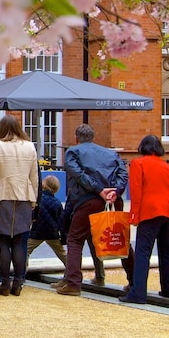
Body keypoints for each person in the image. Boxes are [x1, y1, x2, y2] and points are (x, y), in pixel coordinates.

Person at [53, 124, 134, 296]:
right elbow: (123, 173)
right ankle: (135, 281)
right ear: (94, 138)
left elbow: (77, 174)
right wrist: (115, 191)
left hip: (86, 201)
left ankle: (73, 282)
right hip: (113, 201)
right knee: (120, 240)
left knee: (75, 240)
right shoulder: (111, 153)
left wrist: (98, 190)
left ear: (76, 138)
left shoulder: (73, 152)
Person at [120, 135, 169, 303]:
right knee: (167, 252)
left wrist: (134, 215)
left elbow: (136, 191)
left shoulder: (138, 163)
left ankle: (138, 293)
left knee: (142, 253)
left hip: (150, 211)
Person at [0, 115, 39, 296]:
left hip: (2, 195)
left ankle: (5, 282)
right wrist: (34, 199)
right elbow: (34, 176)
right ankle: (19, 281)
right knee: (20, 241)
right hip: (24, 195)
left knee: (3, 240)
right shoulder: (29, 146)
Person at [27, 175, 68, 267]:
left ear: (43, 185)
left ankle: (21, 273)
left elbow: (31, 215)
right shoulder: (57, 203)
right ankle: (73, 271)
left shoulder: (37, 199)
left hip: (37, 232)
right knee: (62, 254)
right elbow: (61, 222)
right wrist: (64, 238)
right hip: (52, 233)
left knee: (25, 251)